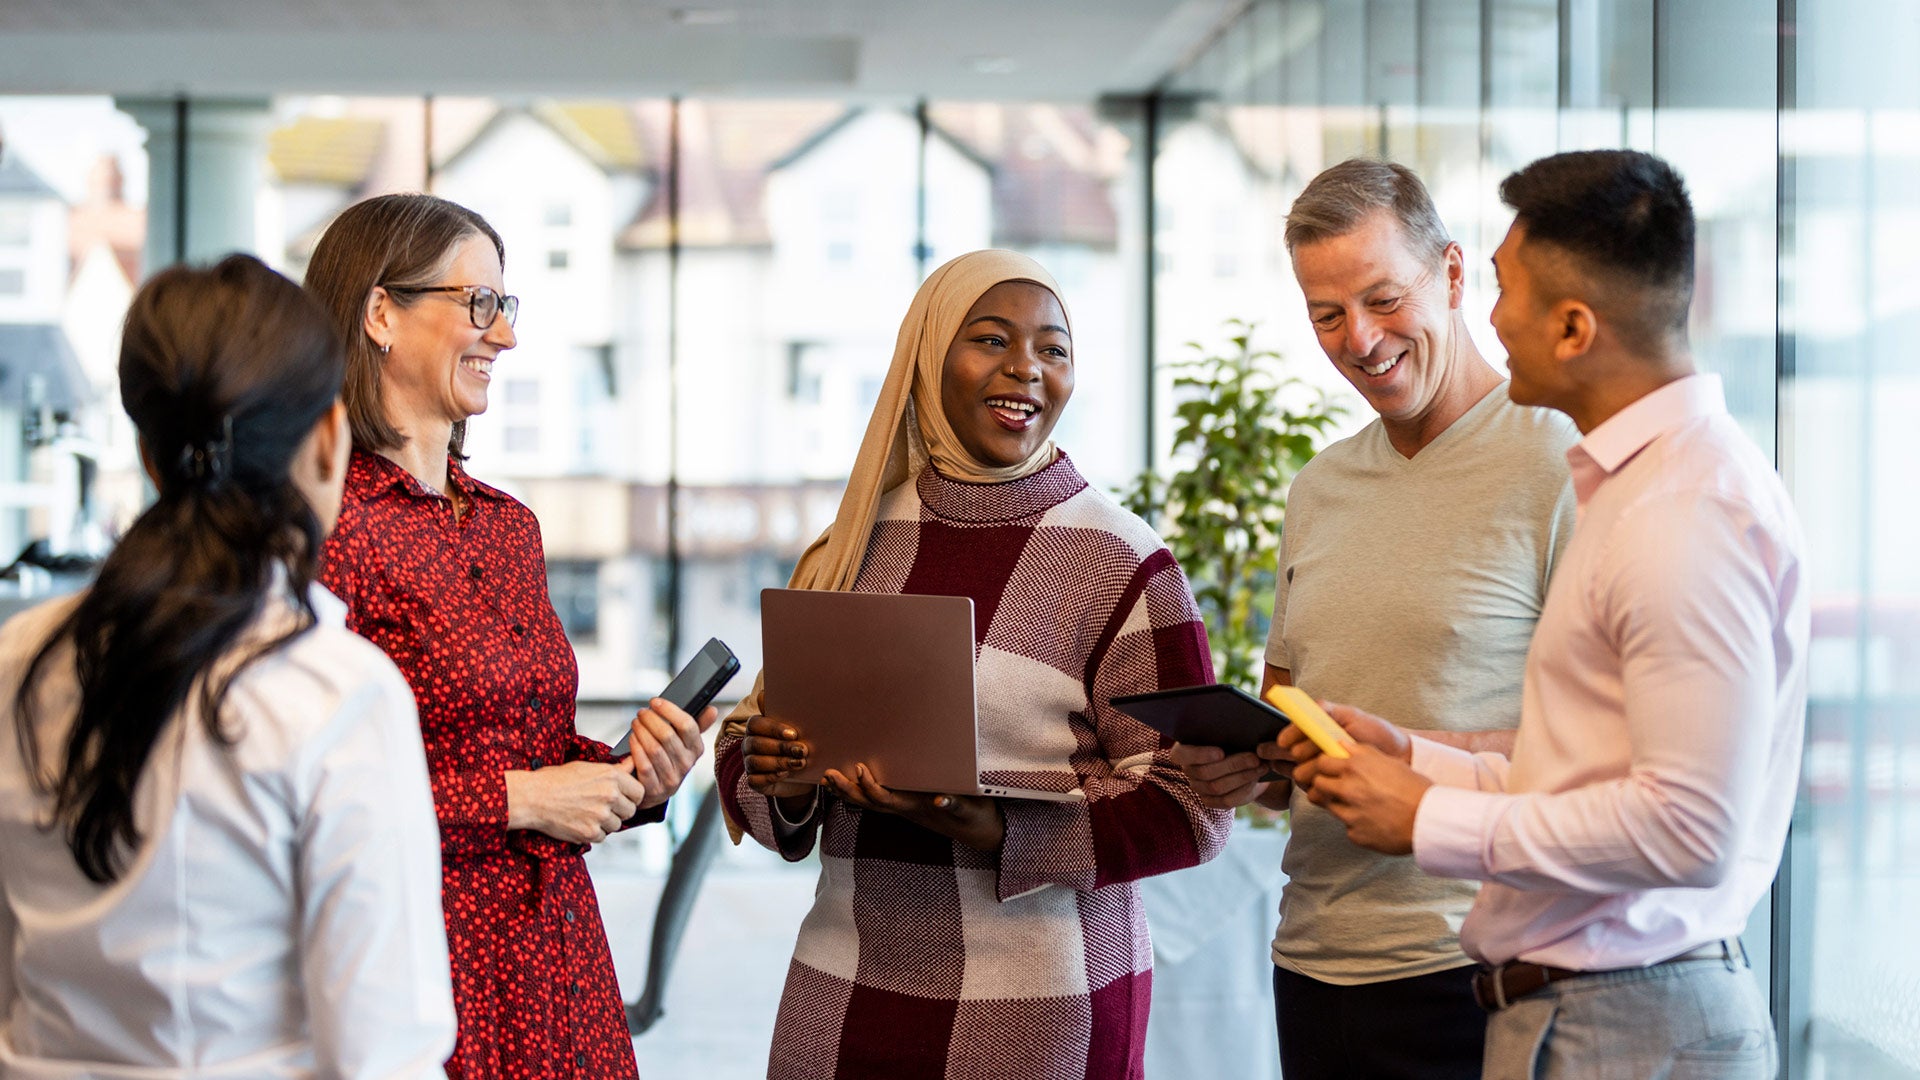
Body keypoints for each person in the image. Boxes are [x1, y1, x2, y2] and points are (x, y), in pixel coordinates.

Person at [1288, 149, 1805, 1079]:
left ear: (1572, 326)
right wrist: (1420, 762)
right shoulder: (1636, 489)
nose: (1490, 319)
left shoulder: (1685, 513)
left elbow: (1690, 829)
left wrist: (1434, 816)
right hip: (1581, 1009)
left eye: (1504, 290)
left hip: (1632, 1015)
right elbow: (1588, 770)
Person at [713, 249, 1232, 1080]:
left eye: (1053, 349)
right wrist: (779, 772)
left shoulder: (1123, 560)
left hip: (1038, 1004)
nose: (1025, 368)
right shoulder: (855, 539)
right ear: (927, 357)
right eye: (990, 340)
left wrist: (1000, 829)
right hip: (844, 979)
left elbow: (1194, 804)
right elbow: (752, 745)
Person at [1168, 158, 1578, 1080]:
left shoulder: (1560, 462)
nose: (1360, 339)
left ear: (1456, 276)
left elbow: (1604, 755)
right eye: (1326, 314)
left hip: (1478, 969)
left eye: (1385, 298)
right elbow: (1291, 735)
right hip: (1313, 963)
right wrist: (1244, 764)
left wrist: (1407, 755)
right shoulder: (1318, 490)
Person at [0, 254, 455, 1078]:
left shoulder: (16, 663)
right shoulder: (335, 694)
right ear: (327, 440)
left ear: (147, 454)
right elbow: (383, 1050)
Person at [304, 193, 715, 1080]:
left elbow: (532, 749)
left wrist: (631, 776)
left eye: (505, 306)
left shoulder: (507, 526)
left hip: (558, 957)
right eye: (476, 305)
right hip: (426, 962)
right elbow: (309, 798)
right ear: (381, 312)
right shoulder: (328, 529)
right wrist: (520, 801)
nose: (504, 335)